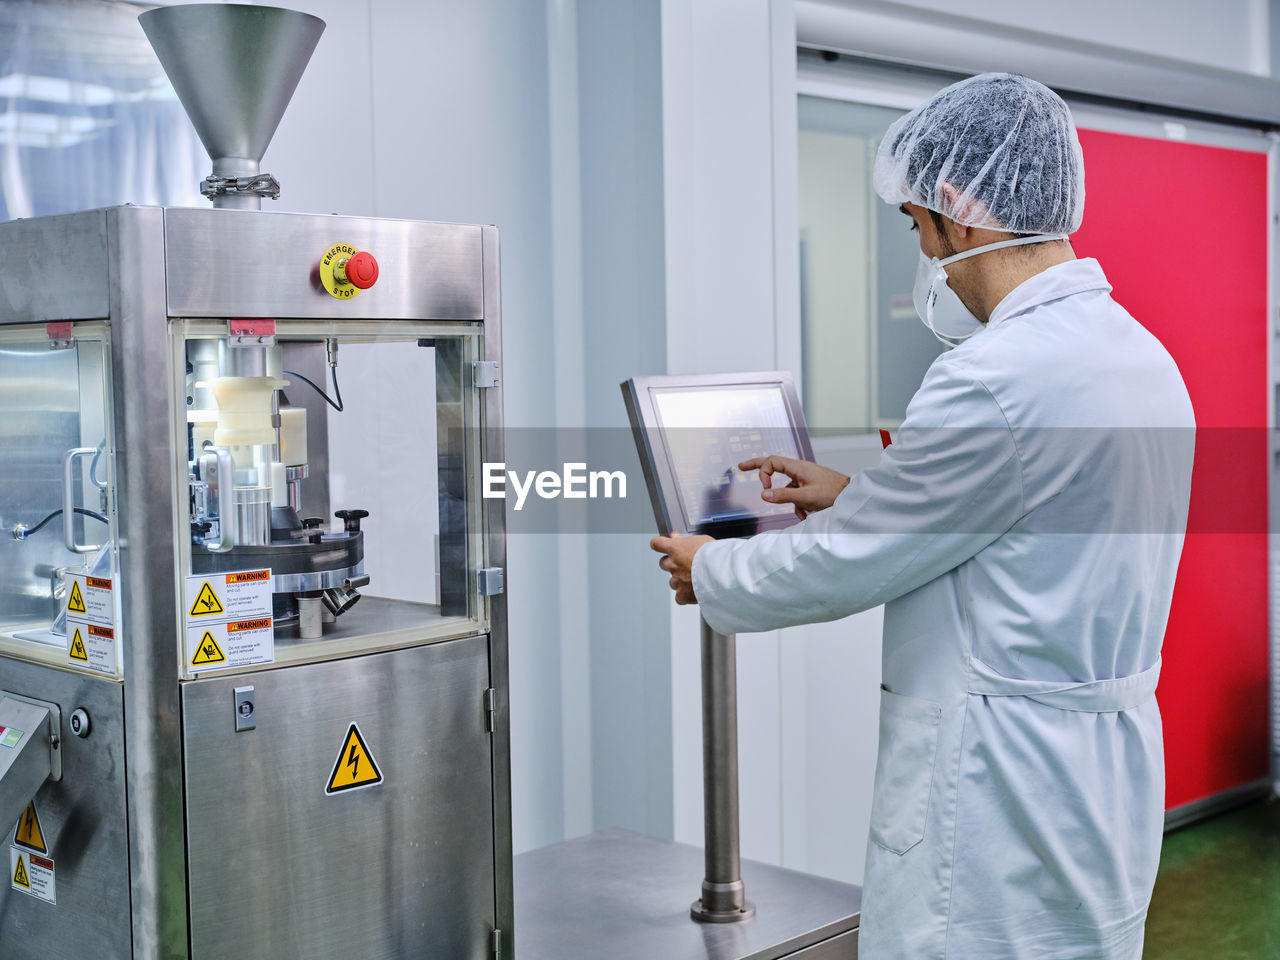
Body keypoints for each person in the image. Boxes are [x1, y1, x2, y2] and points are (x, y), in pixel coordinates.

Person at [651, 73, 1194, 959]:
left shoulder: (996, 374)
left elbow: (848, 563)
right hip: (1100, 776)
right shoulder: (1137, 357)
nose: (922, 252)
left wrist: (711, 569)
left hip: (997, 794)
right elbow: (1021, 521)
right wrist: (853, 491)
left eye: (915, 226)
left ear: (957, 210)